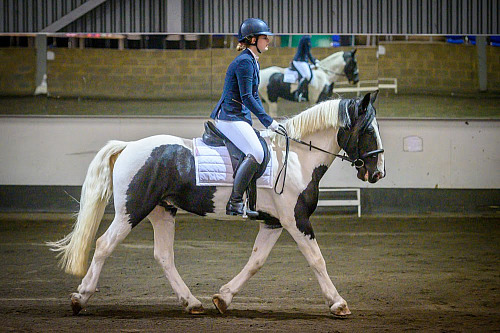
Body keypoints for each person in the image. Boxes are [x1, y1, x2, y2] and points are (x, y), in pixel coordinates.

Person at [210, 18, 280, 218]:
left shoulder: (253, 62)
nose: (268, 40)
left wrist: (265, 118)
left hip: (239, 117)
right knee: (257, 152)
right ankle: (235, 201)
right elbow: (246, 97)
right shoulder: (244, 62)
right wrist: (268, 121)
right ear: (252, 39)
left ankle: (253, 203)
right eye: (264, 37)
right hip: (229, 117)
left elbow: (255, 95)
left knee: (260, 147)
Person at [292, 35, 320, 102]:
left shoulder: (306, 37)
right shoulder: (306, 38)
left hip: (304, 60)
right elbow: (308, 52)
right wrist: (314, 62)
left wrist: (314, 60)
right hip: (300, 61)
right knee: (307, 76)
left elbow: (307, 53)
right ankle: (298, 94)